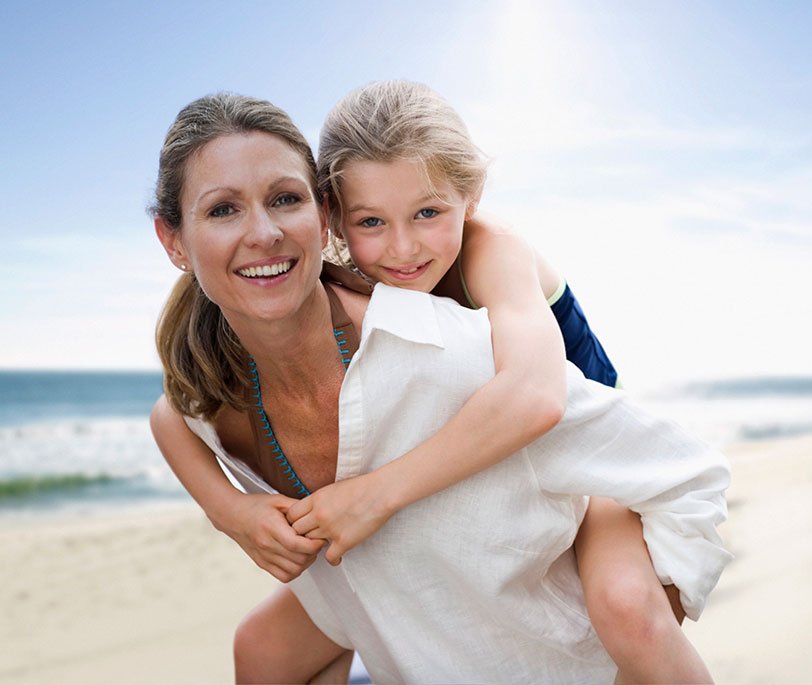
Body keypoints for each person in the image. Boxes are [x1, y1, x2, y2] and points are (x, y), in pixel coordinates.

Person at [150, 92, 732, 683]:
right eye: (371, 221)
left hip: (584, 450)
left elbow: (536, 398)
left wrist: (377, 494)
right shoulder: (324, 272)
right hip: (509, 423)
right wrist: (232, 511)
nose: (402, 247)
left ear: (469, 198)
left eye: (428, 213)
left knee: (627, 611)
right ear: (338, 217)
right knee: (261, 646)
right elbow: (172, 415)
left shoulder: (491, 252)